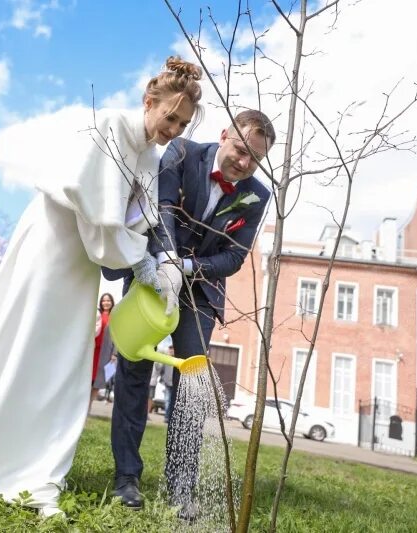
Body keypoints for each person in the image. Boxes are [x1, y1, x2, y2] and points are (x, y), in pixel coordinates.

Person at [0, 56, 203, 518]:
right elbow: (98, 216)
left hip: (81, 263)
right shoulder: (111, 126)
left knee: (60, 358)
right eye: (170, 117)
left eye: (182, 123)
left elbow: (131, 218)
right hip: (55, 248)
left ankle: (33, 461)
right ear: (150, 101)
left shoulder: (148, 153)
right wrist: (136, 256)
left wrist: (153, 257)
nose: (174, 129)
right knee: (27, 345)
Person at [109, 110, 275, 517]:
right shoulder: (182, 152)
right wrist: (166, 259)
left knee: (192, 383)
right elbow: (163, 206)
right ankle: (126, 478)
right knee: (134, 372)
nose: (244, 163)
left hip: (200, 292)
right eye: (240, 149)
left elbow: (234, 256)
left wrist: (186, 269)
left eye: (255, 158)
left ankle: (180, 488)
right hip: (152, 277)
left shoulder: (258, 196)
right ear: (224, 136)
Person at [90, 293, 116, 409]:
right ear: (101, 302)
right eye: (104, 301)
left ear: (112, 302)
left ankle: (89, 406)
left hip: (105, 353)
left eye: (108, 300)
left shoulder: (115, 317)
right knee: (88, 379)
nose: (106, 303)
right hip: (92, 351)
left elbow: (117, 337)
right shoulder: (96, 314)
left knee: (98, 382)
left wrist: (115, 353)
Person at [160, 346, 176, 423]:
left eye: (172, 350)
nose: (171, 351)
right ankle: (167, 417)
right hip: (167, 383)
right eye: (170, 350)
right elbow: (162, 370)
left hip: (174, 384)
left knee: (171, 400)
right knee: (167, 400)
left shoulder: (176, 360)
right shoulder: (166, 359)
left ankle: (170, 417)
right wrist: (163, 379)